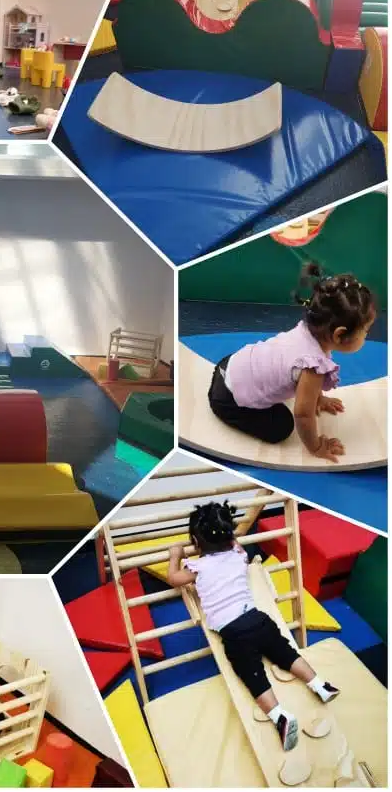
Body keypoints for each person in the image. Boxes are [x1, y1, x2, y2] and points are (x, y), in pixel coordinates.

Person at [167, 502, 339, 751]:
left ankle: (279, 716)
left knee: (252, 674)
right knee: (286, 653)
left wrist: (175, 555)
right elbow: (236, 546)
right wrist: (229, 537)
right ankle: (320, 684)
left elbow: (174, 579)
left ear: (195, 541)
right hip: (259, 619)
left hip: (235, 633)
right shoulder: (239, 557)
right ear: (230, 536)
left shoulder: (197, 567)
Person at [208, 262, 376, 463]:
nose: (366, 336)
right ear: (339, 335)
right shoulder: (313, 367)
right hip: (227, 401)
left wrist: (318, 398)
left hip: (228, 364)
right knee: (282, 426)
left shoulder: (307, 331)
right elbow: (303, 415)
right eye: (365, 331)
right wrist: (316, 446)